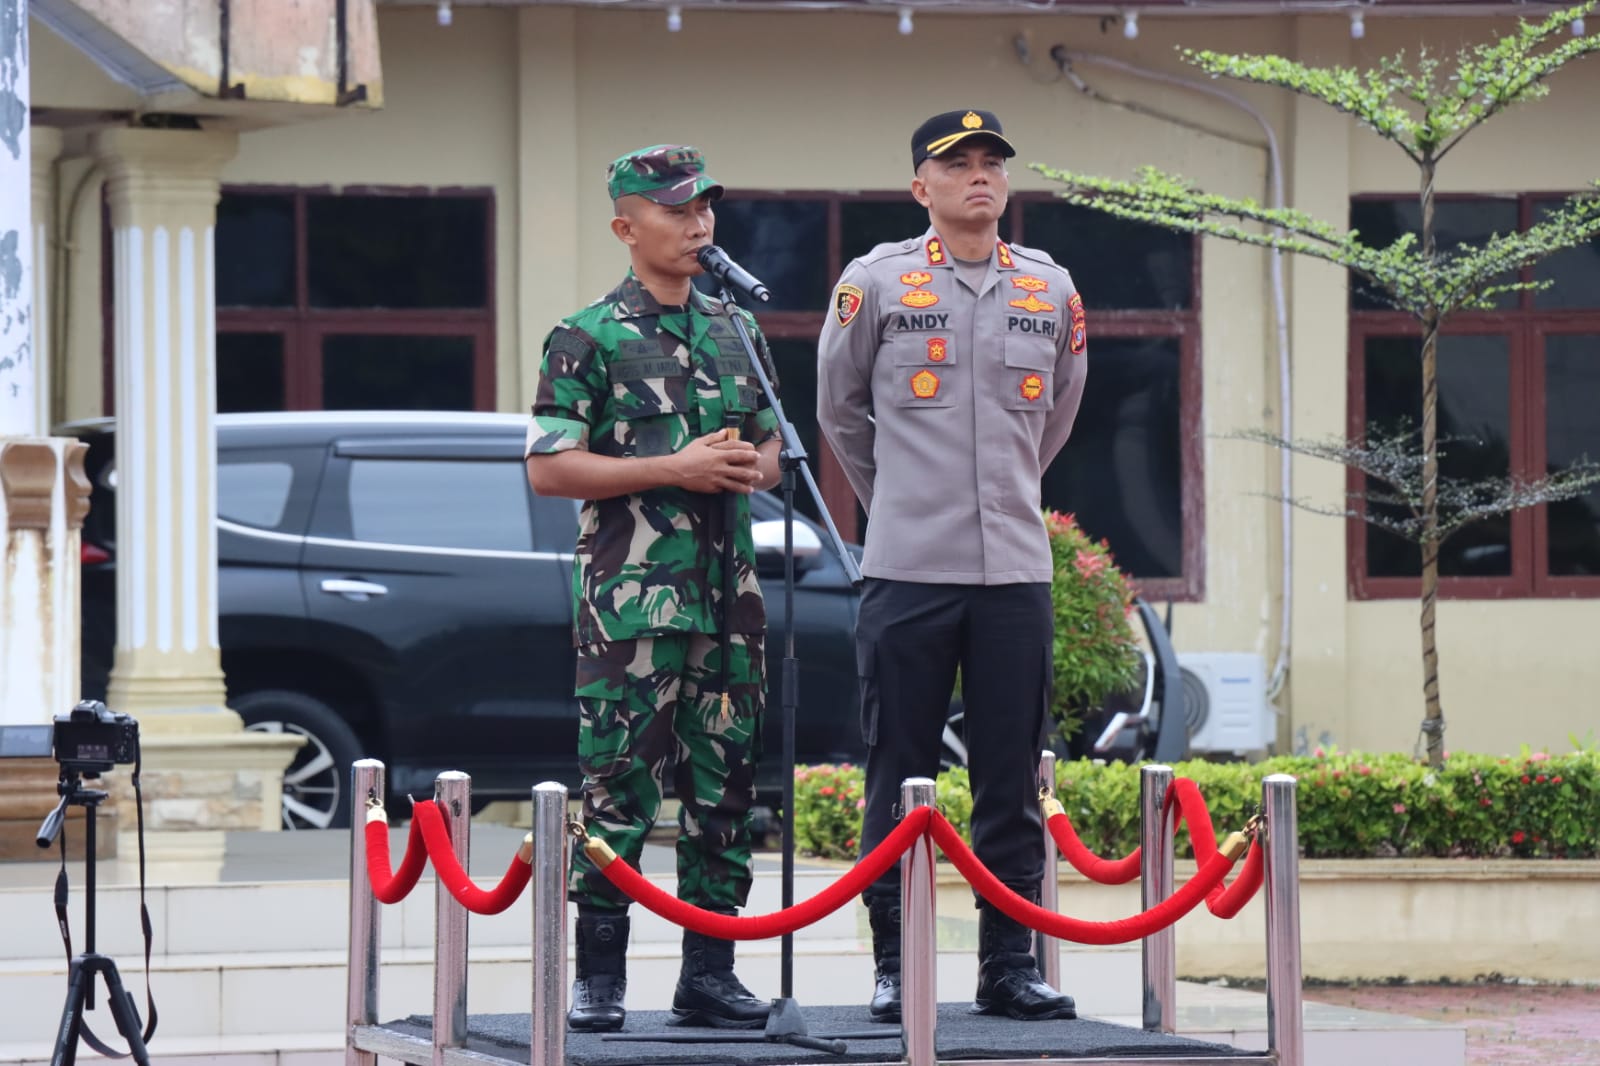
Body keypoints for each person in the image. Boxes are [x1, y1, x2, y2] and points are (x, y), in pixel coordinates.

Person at [816, 109, 1088, 1023]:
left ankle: (1009, 965)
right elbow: (840, 409)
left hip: (1013, 568)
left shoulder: (1049, 289)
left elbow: (1055, 417)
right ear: (920, 187)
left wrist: (1000, 489)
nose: (979, 176)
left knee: (1011, 773)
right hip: (908, 570)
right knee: (898, 767)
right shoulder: (877, 282)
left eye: (991, 163)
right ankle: (896, 962)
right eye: (957, 164)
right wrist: (900, 495)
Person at [525, 144, 782, 1033]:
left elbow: (774, 447)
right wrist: (673, 465)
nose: (698, 223)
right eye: (677, 209)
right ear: (626, 226)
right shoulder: (586, 335)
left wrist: (754, 465)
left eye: (706, 207)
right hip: (632, 605)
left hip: (730, 600)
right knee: (619, 788)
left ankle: (710, 973)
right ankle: (599, 977)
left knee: (727, 791)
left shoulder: (734, 329)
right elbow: (550, 470)